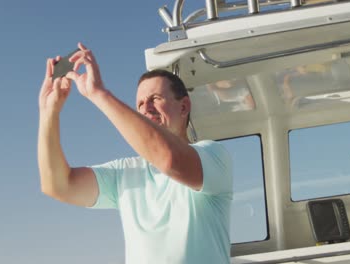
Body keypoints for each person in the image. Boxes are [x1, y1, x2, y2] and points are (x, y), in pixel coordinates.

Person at [38, 42, 233, 264]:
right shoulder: (124, 173)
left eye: (156, 99)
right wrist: (48, 112)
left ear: (184, 107)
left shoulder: (214, 156)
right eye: (140, 104)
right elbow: (57, 185)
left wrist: (98, 94)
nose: (146, 108)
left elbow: (169, 160)